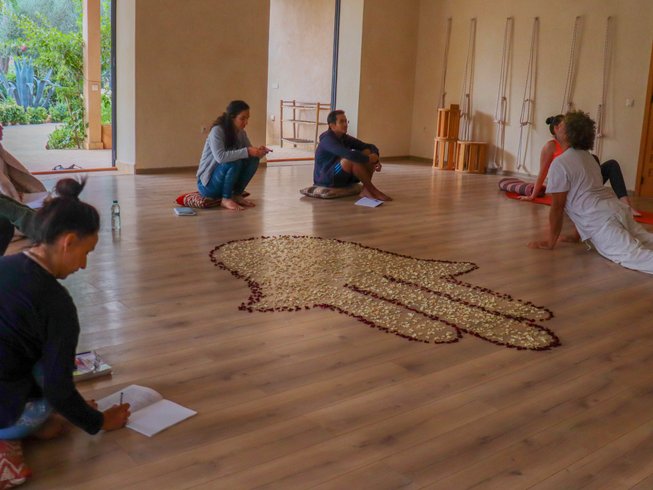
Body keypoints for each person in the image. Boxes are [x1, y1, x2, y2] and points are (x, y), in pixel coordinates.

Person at [0, 178, 131, 485]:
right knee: (55, 383)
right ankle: (17, 433)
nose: (83, 265)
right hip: (6, 413)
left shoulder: (5, 264)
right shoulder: (57, 305)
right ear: (68, 241)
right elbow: (57, 389)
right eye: (86, 252)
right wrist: (99, 421)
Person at [528, 111, 653, 274]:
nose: (557, 127)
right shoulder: (589, 158)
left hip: (602, 222)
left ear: (569, 134)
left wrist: (550, 242)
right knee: (647, 239)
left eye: (561, 126)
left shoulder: (560, 164)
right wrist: (576, 236)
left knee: (635, 256)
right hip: (618, 210)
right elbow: (580, 198)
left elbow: (558, 207)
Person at [519, 114, 639, 215]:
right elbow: (543, 172)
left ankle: (626, 206)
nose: (570, 129)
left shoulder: (574, 143)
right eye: (565, 126)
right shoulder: (550, 146)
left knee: (609, 164)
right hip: (570, 187)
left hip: (585, 183)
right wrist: (532, 196)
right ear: (556, 128)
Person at [196, 100, 270, 211]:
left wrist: (259, 153)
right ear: (232, 117)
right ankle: (226, 199)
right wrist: (248, 151)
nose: (246, 122)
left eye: (247, 118)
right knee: (233, 161)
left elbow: (249, 154)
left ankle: (236, 194)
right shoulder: (217, 131)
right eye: (242, 118)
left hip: (225, 184)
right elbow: (220, 157)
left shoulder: (241, 133)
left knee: (253, 160)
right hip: (207, 186)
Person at [314, 110, 392, 201]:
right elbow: (348, 155)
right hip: (327, 177)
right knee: (350, 159)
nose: (345, 124)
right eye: (341, 122)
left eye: (346, 121)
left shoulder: (344, 137)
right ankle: (372, 189)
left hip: (341, 176)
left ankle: (366, 190)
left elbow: (369, 146)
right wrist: (369, 159)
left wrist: (375, 158)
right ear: (332, 125)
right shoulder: (327, 140)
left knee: (367, 151)